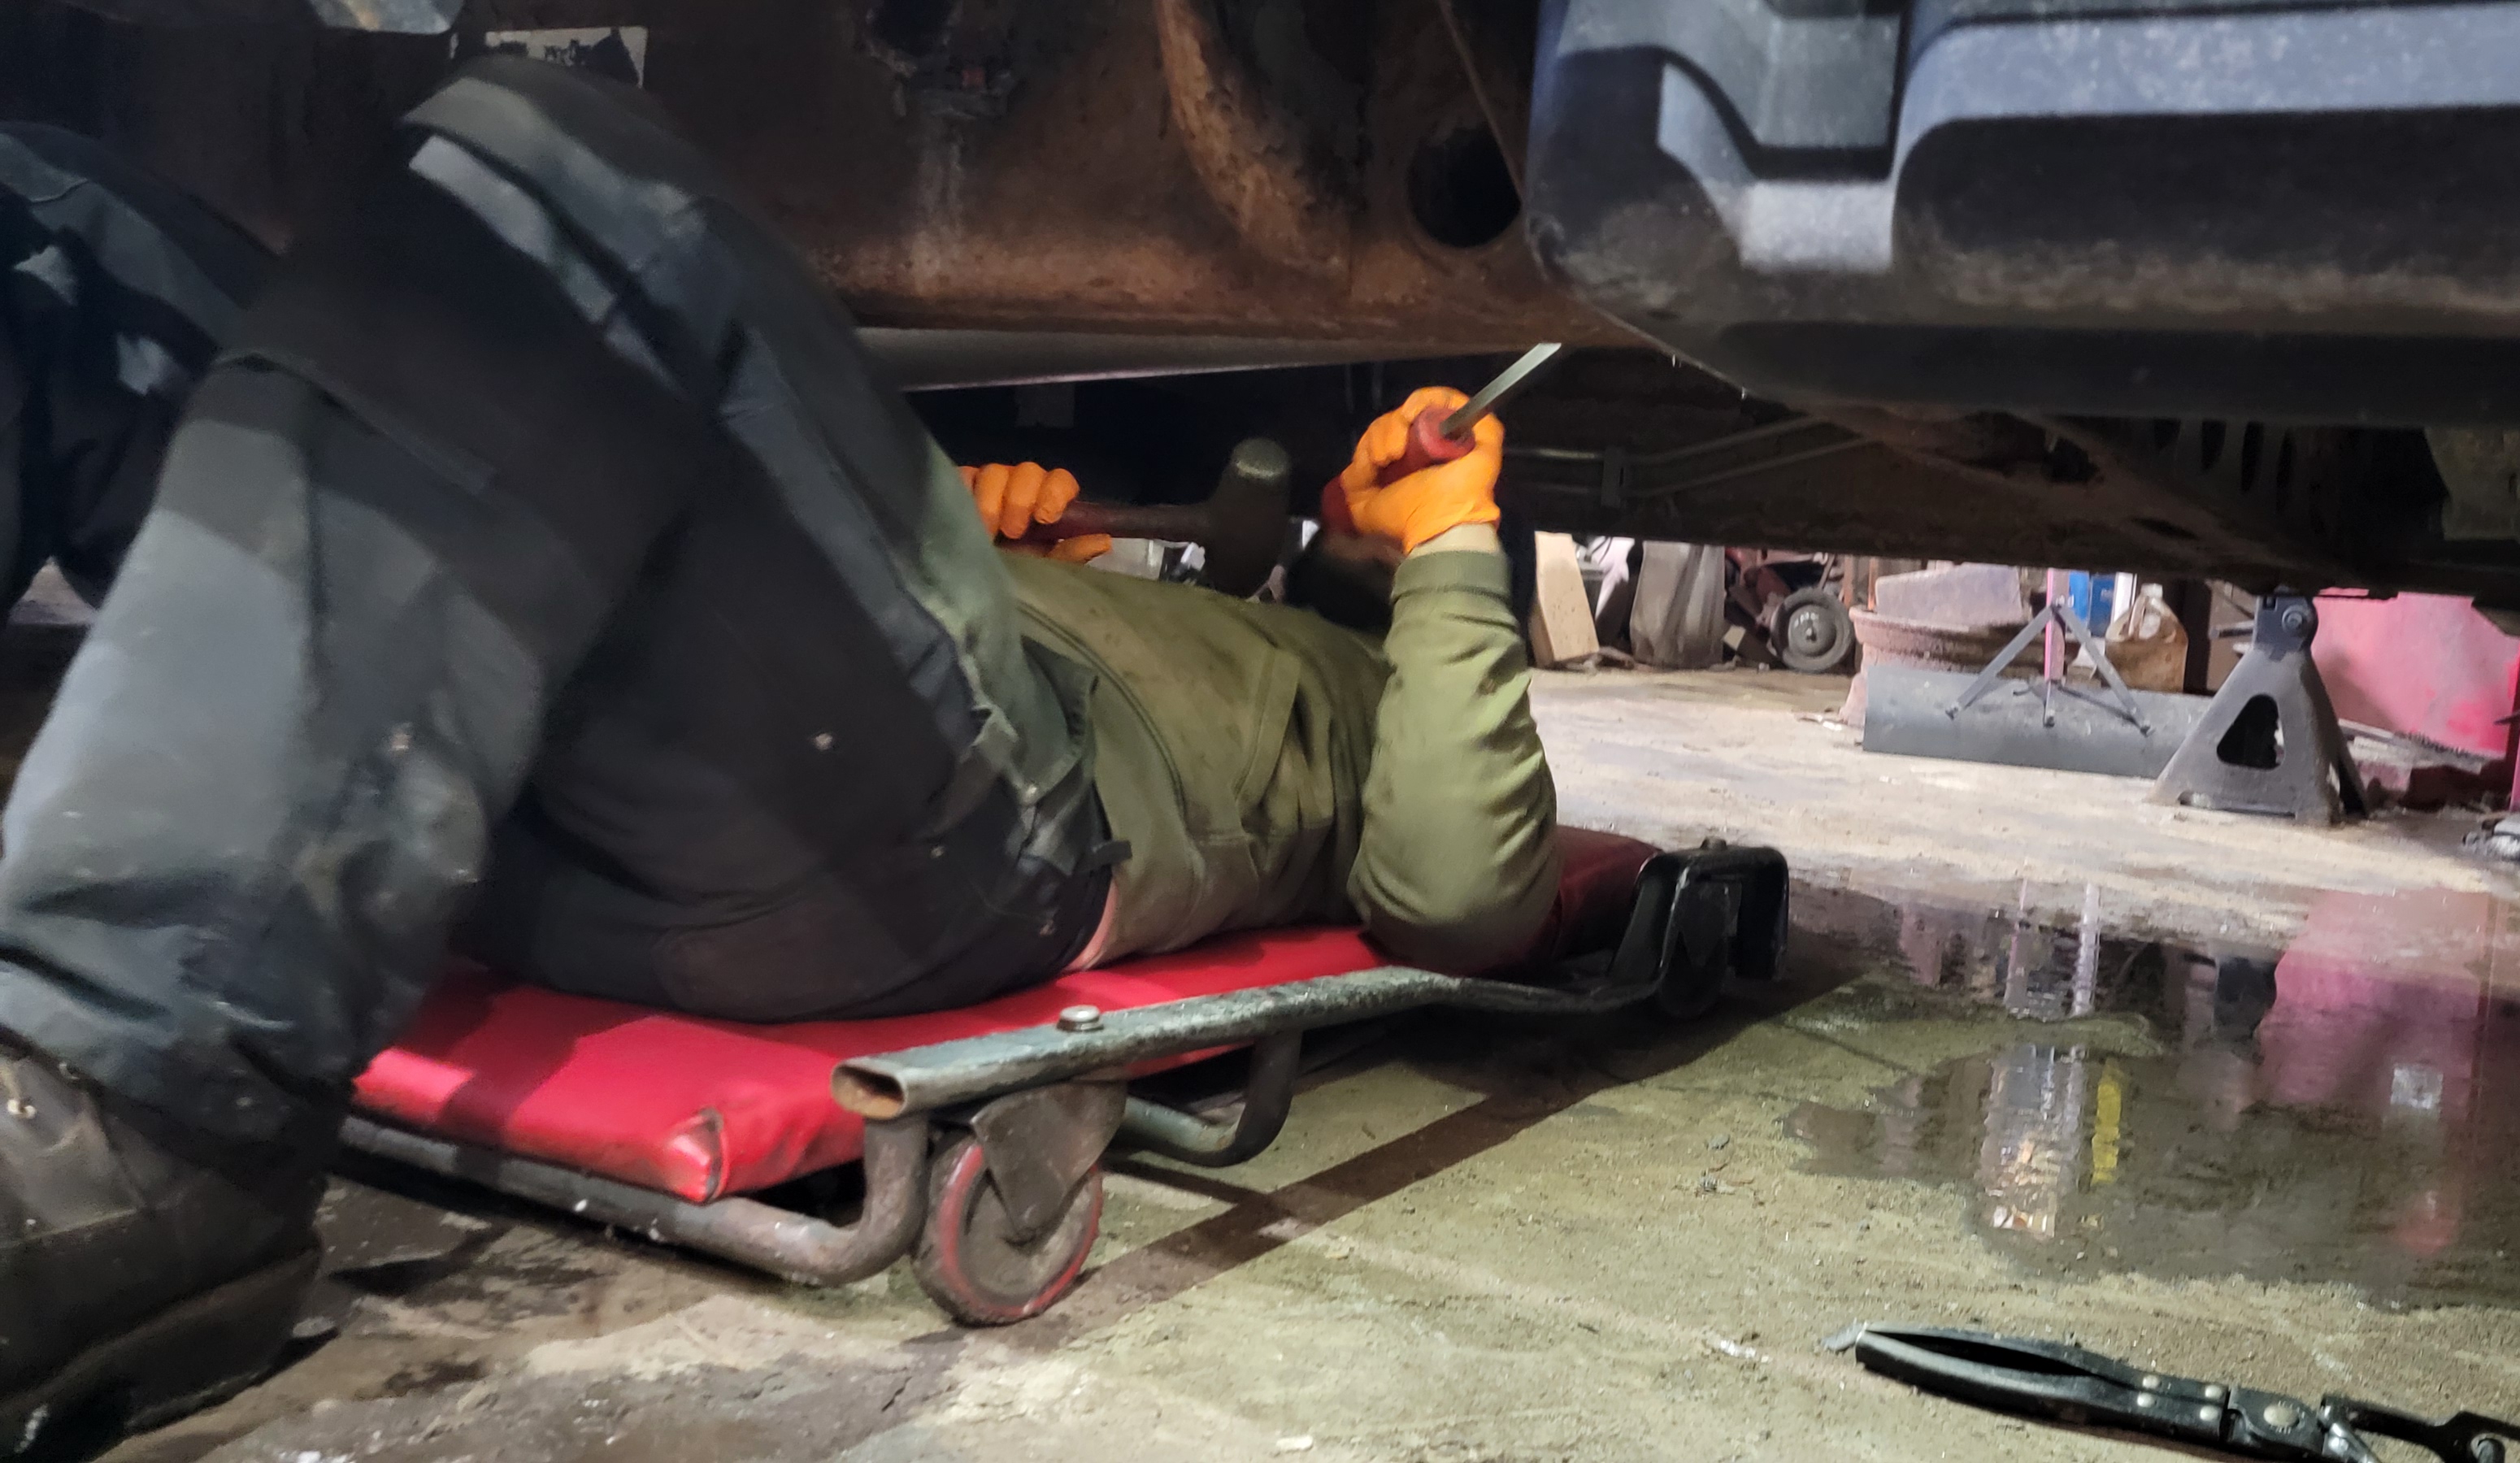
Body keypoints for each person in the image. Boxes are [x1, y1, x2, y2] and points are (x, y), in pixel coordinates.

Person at [0, 57, 1558, 1448]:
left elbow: (1464, 897)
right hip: (599, 784)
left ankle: (139, 1105)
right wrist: (989, 548)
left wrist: (1456, 549)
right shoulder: (1296, 633)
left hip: (963, 861)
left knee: (570, 188)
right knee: (52, 227)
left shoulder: (1385, 700)